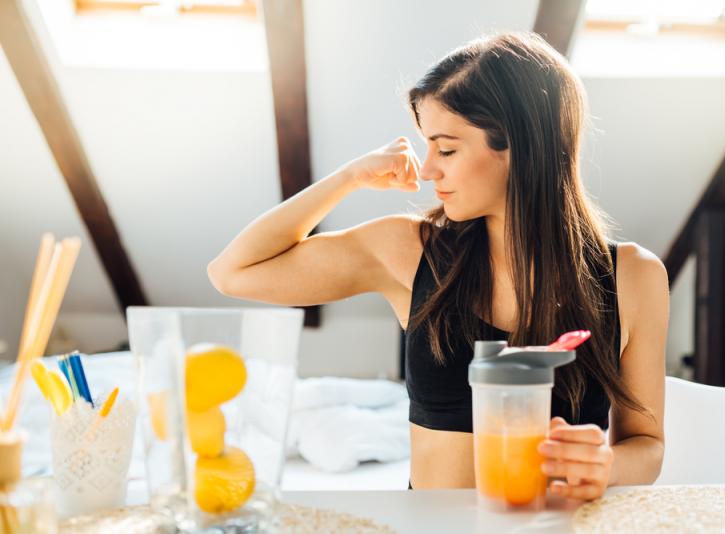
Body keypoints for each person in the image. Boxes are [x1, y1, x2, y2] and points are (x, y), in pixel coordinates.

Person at [208, 31, 668, 500]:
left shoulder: (633, 276)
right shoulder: (406, 251)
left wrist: (604, 464)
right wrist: (350, 178)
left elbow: (646, 446)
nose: (427, 170)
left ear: (522, 148)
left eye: (446, 149)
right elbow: (234, 272)